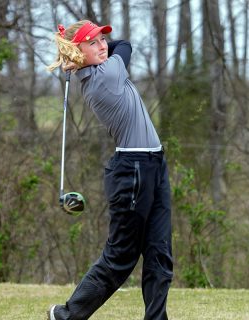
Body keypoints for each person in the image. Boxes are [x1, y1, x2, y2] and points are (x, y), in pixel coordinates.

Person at [46, 20, 173, 320]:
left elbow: (116, 46)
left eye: (103, 39)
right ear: (79, 53)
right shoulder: (106, 76)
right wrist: (74, 56)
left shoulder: (101, 68)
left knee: (159, 253)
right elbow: (125, 45)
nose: (103, 45)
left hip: (153, 164)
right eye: (93, 43)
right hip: (134, 172)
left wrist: (77, 54)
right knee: (121, 257)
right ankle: (65, 315)